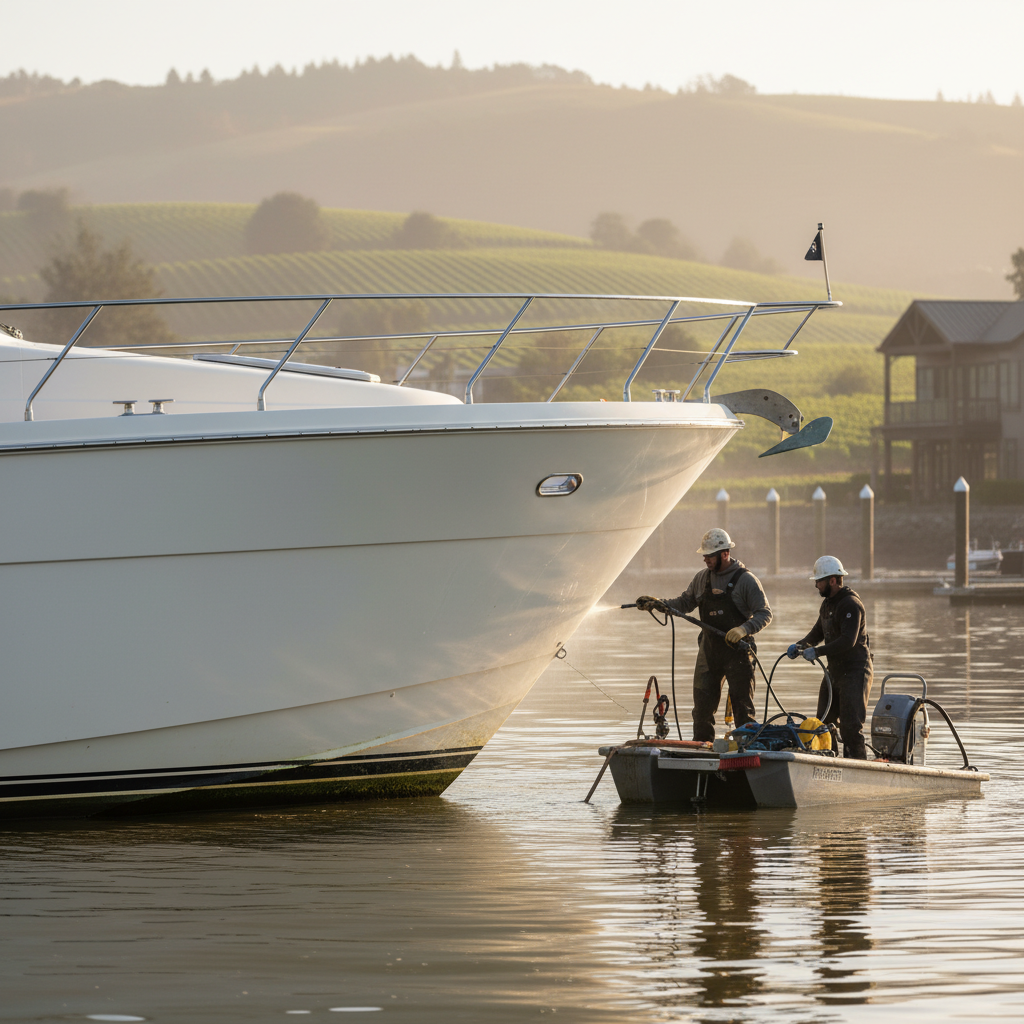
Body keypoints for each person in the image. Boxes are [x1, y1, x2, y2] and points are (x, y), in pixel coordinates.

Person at [636, 528, 772, 742]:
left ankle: (745, 754)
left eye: (709, 555)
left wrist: (743, 629)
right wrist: (658, 604)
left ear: (725, 554)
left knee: (743, 712)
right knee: (701, 713)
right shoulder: (701, 579)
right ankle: (702, 749)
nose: (705, 559)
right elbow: (683, 603)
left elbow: (765, 614)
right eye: (704, 555)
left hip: (738, 655)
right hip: (709, 654)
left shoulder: (746, 581)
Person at [787, 555, 872, 759]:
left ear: (832, 581)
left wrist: (817, 652)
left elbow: (847, 641)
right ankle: (830, 765)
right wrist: (800, 646)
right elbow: (817, 634)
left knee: (850, 728)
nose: (816, 585)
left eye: (819, 580)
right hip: (834, 672)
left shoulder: (851, 604)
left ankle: (858, 772)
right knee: (824, 724)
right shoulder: (827, 605)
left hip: (855, 672)